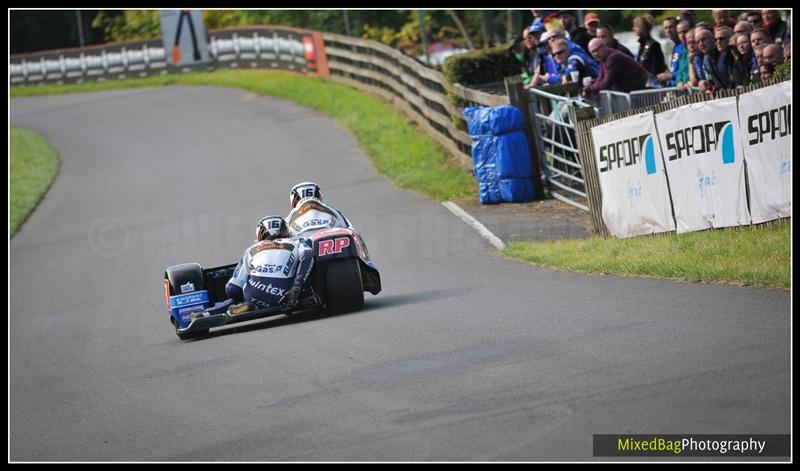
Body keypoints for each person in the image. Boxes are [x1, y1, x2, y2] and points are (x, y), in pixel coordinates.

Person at [225, 216, 315, 310]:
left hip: (253, 294)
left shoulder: (251, 249)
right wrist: (296, 288)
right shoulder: (297, 241)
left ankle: (247, 304)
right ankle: (298, 293)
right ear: (285, 230)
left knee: (241, 282)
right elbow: (307, 255)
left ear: (260, 233)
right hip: (287, 294)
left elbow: (232, 288)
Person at [583, 38, 649, 95]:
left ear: (604, 46)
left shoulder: (612, 58)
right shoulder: (604, 58)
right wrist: (590, 87)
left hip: (637, 87)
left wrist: (588, 89)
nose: (595, 54)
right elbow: (600, 79)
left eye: (597, 50)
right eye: (593, 52)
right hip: (630, 89)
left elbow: (605, 84)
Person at [285, 181, 352, 237]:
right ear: (319, 195)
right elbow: (350, 229)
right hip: (331, 241)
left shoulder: (290, 216)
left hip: (304, 245)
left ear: (294, 200)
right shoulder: (333, 210)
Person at [633, 14, 669, 87]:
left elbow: (655, 70)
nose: (633, 28)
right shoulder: (642, 45)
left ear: (643, 28)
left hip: (653, 86)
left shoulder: (654, 45)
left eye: (636, 26)